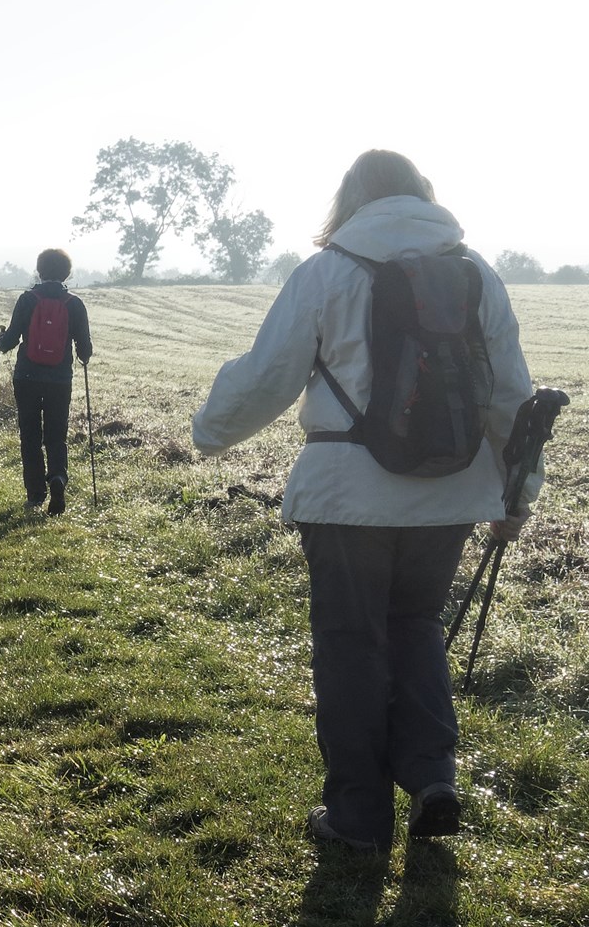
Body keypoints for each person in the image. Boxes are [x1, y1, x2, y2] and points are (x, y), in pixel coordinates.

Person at [190, 150, 539, 853]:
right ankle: (433, 774)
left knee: (350, 646)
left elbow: (267, 375)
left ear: (350, 200)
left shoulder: (327, 272)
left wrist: (210, 431)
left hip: (345, 495)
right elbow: (511, 396)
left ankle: (357, 818)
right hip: (449, 493)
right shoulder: (476, 274)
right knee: (417, 625)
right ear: (422, 194)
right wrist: (517, 491)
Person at [0, 247, 93, 515]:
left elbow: (9, 342)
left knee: (30, 435)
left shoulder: (27, 300)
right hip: (60, 379)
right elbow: (85, 351)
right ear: (67, 273)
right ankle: (57, 476)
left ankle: (35, 494)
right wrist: (81, 352)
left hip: (27, 376)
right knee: (56, 435)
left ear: (39, 270)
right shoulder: (74, 304)